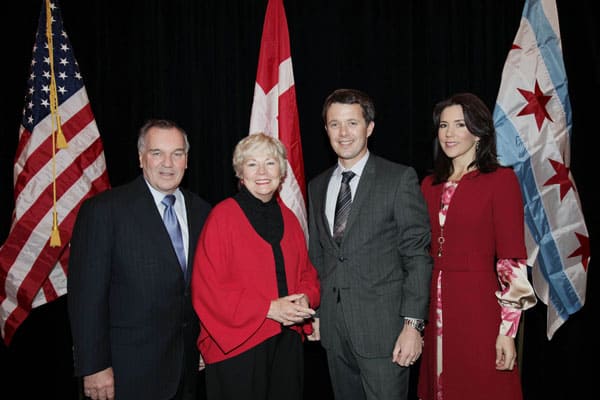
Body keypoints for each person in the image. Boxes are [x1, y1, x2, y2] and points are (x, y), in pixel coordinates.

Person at [67, 119, 211, 400]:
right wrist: (94, 366)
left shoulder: (203, 211)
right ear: (141, 158)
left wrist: (204, 342)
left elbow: (204, 289)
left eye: (177, 153)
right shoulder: (104, 211)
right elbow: (86, 297)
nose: (167, 163)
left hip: (188, 369)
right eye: (157, 153)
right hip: (125, 374)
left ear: (186, 160)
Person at [307, 88, 433, 400]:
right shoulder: (317, 185)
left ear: (370, 127)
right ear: (326, 130)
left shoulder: (398, 179)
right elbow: (320, 255)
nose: (343, 133)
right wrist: (319, 313)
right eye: (334, 124)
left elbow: (417, 256)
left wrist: (413, 326)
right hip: (334, 335)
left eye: (352, 123)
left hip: (385, 335)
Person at [417, 93, 538, 400]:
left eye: (460, 124)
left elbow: (512, 261)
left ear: (479, 131)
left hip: (480, 308)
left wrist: (506, 332)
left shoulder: (501, 180)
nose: (449, 133)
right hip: (435, 307)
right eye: (444, 125)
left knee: (481, 388)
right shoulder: (428, 185)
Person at [191, 132, 320, 400]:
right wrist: (269, 308)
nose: (262, 171)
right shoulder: (222, 217)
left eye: (270, 163)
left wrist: (306, 298)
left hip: (287, 344)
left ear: (282, 171)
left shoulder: (290, 219)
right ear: (240, 172)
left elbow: (307, 274)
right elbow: (208, 290)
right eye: (252, 164)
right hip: (238, 346)